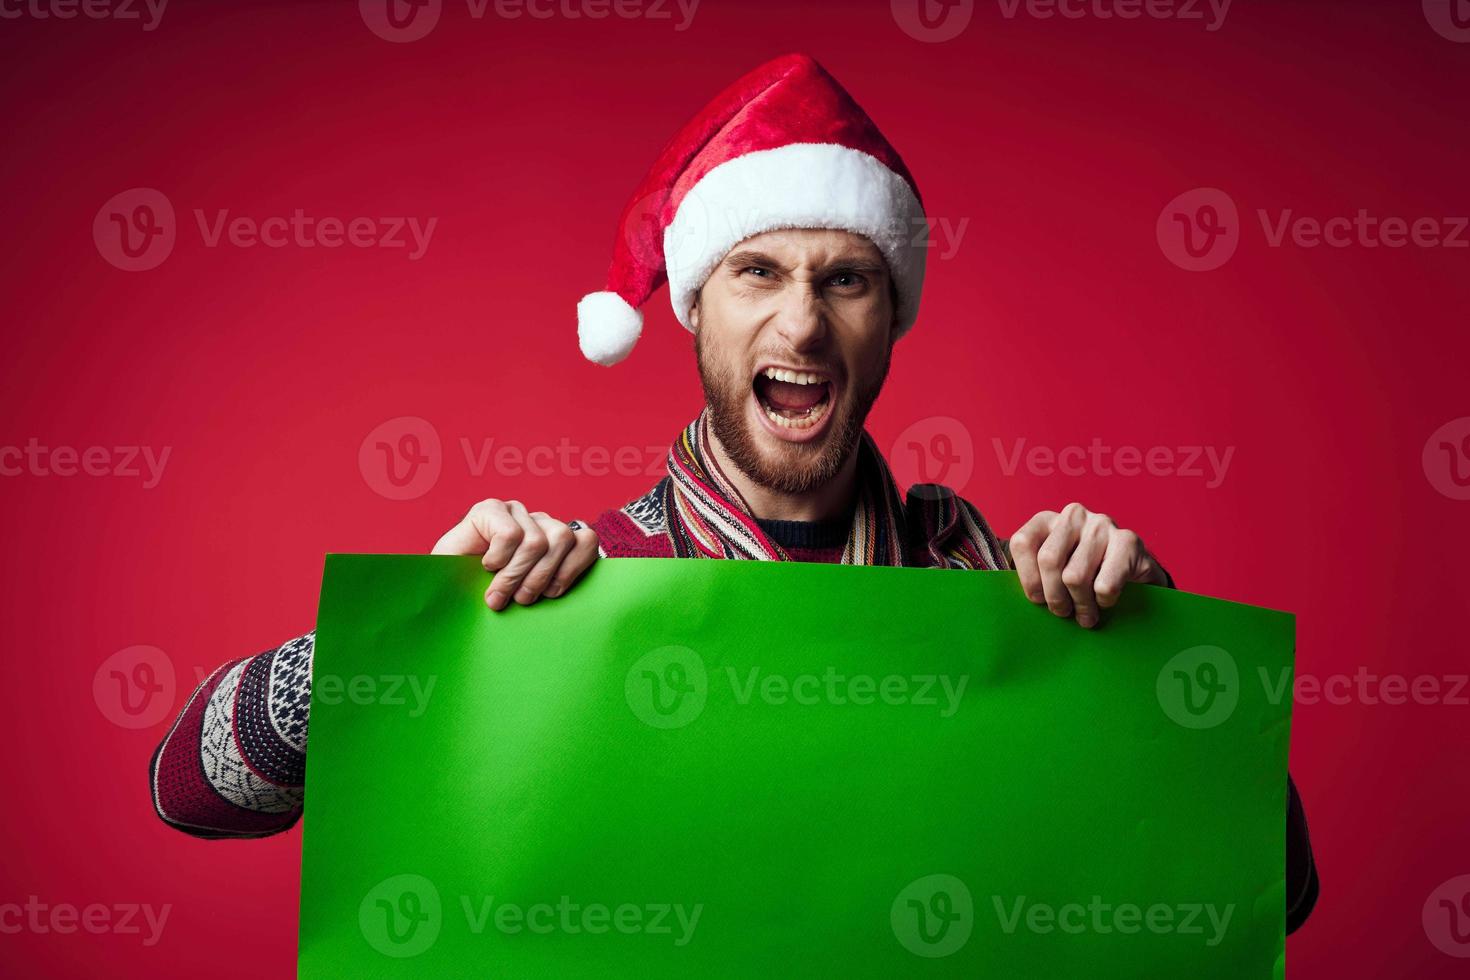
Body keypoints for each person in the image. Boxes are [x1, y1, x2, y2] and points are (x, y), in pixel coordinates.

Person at [149, 52, 1318, 932]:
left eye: (846, 278)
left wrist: (1156, 673)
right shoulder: (570, 591)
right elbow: (191, 787)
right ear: (696, 308)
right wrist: (411, 641)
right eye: (757, 272)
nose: (801, 320)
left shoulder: (1005, 597)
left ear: (891, 322)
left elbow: (1280, 893)